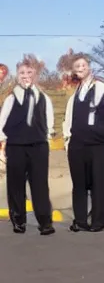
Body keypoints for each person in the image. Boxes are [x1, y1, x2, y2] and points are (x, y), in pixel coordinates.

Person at [62, 54, 104, 232]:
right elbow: (68, 120)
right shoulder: (75, 94)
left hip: (98, 146)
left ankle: (99, 221)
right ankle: (80, 221)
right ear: (74, 71)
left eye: (82, 65)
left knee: (99, 183)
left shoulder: (100, 88)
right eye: (76, 66)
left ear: (89, 67)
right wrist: (68, 141)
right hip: (77, 147)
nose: (80, 68)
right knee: (79, 185)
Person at [0, 59, 55, 235]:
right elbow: (2, 122)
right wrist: (3, 142)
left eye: (29, 73)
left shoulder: (43, 97)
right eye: (22, 73)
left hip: (38, 147)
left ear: (35, 75)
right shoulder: (11, 97)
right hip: (16, 146)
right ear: (17, 75)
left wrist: (46, 138)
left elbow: (49, 121)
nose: (26, 76)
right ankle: (18, 220)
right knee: (15, 185)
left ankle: (45, 222)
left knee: (40, 184)